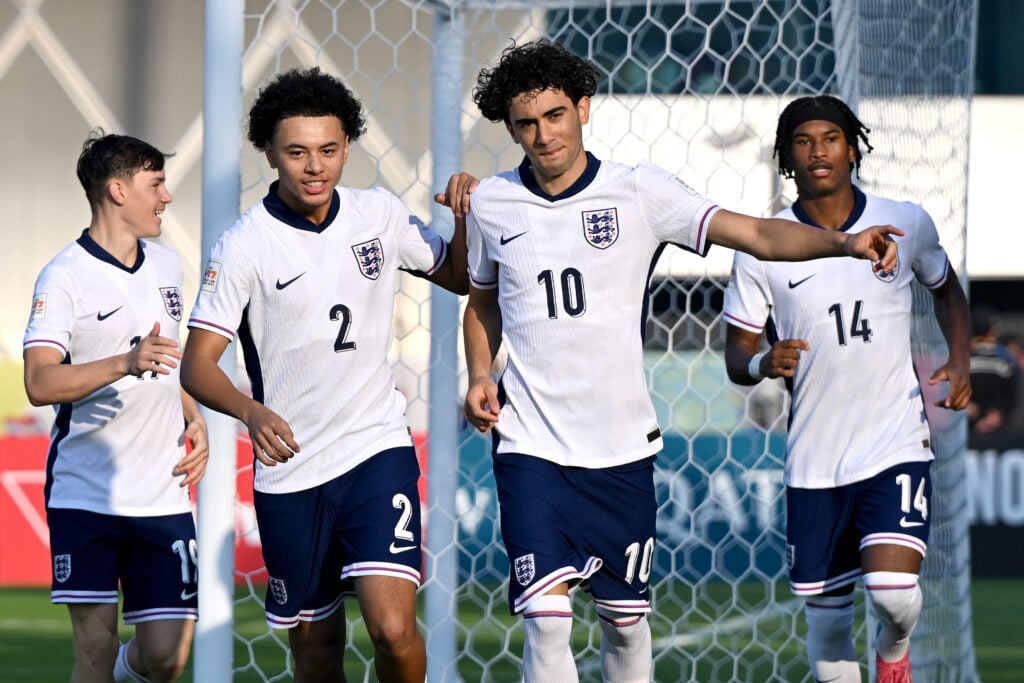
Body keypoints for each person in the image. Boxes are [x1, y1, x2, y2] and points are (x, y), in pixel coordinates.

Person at [454, 41, 902, 683]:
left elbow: (757, 234)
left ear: (583, 108)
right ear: (510, 128)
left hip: (619, 451)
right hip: (530, 445)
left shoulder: (639, 191)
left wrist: (845, 243)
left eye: (555, 115)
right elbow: (482, 302)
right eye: (526, 123)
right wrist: (478, 374)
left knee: (625, 627)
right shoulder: (494, 204)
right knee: (546, 624)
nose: (543, 134)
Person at [180, 67, 469, 683]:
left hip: (375, 447)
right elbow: (197, 365)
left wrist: (468, 217)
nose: (315, 166)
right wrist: (250, 412)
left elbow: (459, 275)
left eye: (330, 150)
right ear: (270, 153)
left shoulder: (380, 216)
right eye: (297, 152)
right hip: (292, 469)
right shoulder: (245, 245)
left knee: (393, 631)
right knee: (317, 649)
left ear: (347, 146)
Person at [722, 94, 972, 682]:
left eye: (830, 138)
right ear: (787, 157)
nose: (818, 151)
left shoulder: (905, 222)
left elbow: (946, 290)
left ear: (853, 147)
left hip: (894, 442)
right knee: (829, 624)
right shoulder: (765, 248)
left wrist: (960, 359)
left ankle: (893, 656)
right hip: (815, 460)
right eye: (803, 142)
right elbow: (736, 354)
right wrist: (763, 362)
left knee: (891, 592)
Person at [22, 130, 209, 682]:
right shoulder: (63, 278)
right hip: (87, 491)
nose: (167, 198)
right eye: (156, 185)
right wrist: (125, 363)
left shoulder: (168, 267)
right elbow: (40, 381)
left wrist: (193, 416)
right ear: (118, 191)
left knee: (165, 659)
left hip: (163, 491)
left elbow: (166, 362)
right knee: (95, 651)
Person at [967, 305, 1019, 434]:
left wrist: (964, 407)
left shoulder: (960, 357)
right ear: (992, 330)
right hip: (999, 430)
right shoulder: (1006, 357)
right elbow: (1014, 395)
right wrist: (999, 414)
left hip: (968, 425)